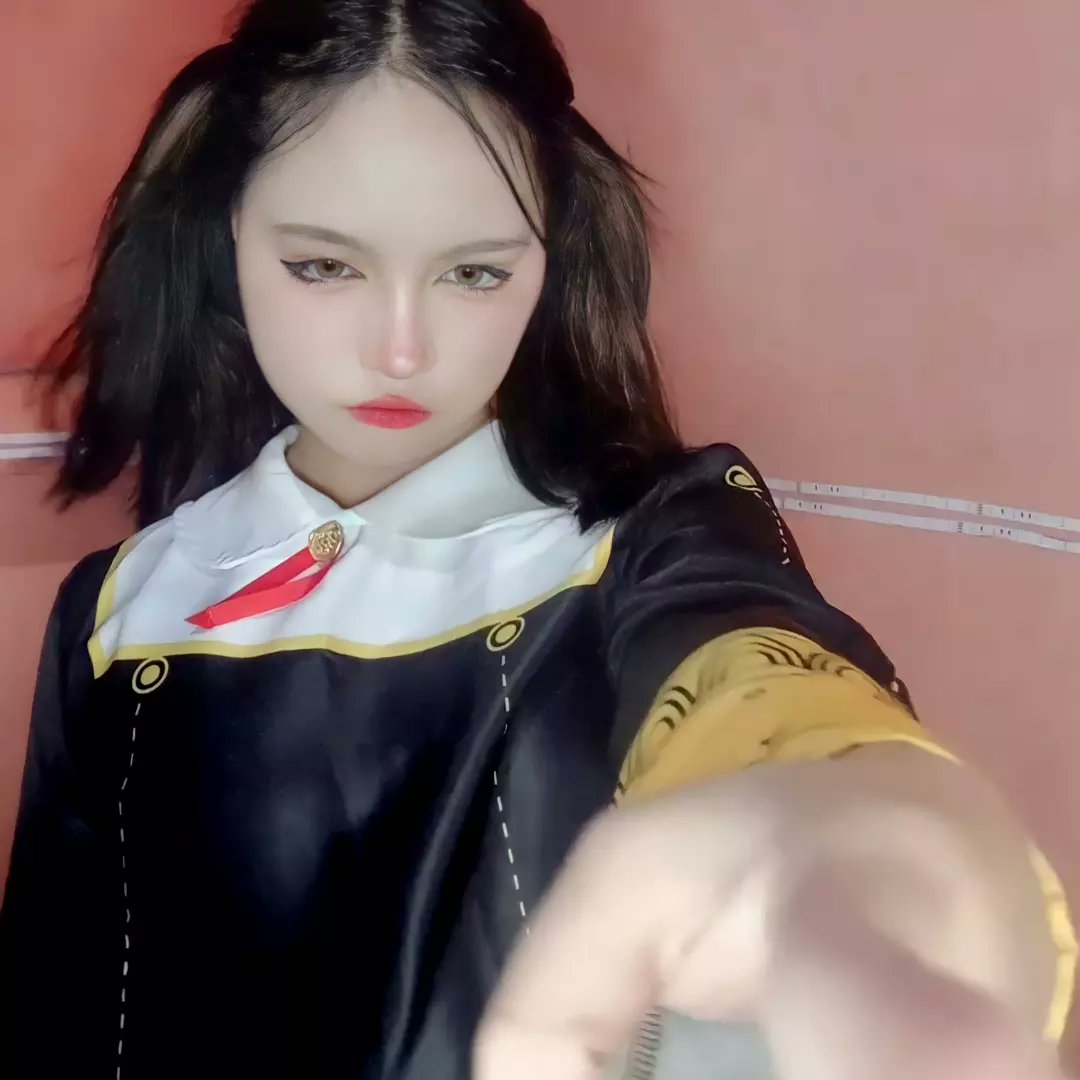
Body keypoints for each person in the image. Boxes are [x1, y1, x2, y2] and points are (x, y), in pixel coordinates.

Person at [0, 1, 1073, 1078]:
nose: (402, 349)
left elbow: (777, 705)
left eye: (475, 273)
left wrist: (883, 860)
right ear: (226, 229)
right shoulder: (127, 603)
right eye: (325, 266)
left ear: (551, 259)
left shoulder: (647, 542)